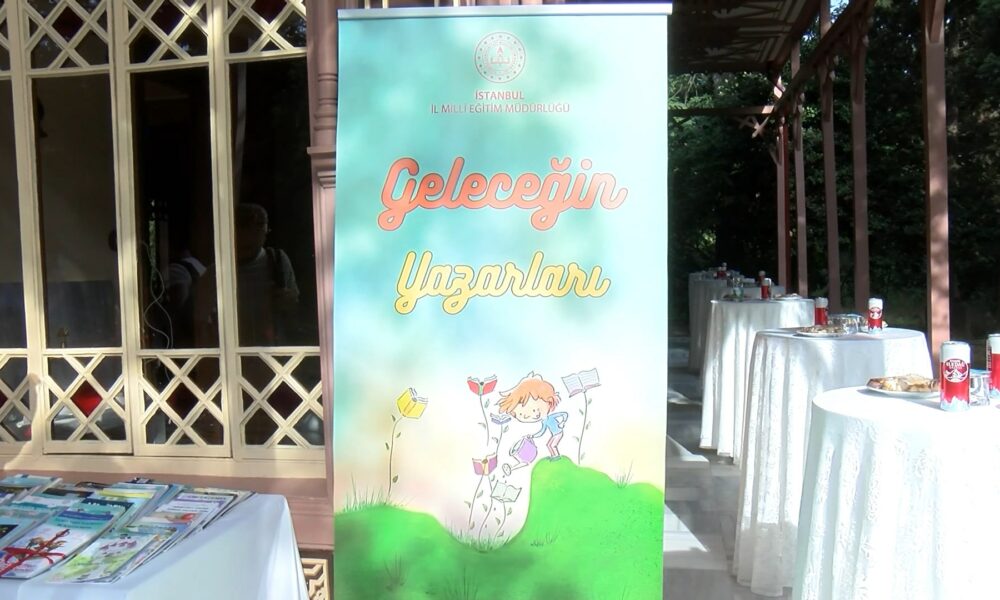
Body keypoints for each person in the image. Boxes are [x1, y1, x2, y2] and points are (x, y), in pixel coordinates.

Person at [194, 203, 299, 347]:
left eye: (259, 230)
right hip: (232, 351)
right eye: (245, 228)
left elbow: (294, 307)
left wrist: (287, 301)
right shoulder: (214, 274)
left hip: (272, 350)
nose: (252, 237)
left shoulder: (278, 261)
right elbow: (201, 324)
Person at [498, 372, 568, 475]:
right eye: (523, 415)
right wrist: (533, 436)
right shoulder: (544, 421)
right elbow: (542, 432)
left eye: (536, 409)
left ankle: (556, 457)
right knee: (549, 444)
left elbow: (564, 414)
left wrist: (562, 422)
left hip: (558, 433)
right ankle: (554, 456)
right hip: (555, 434)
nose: (535, 414)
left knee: (552, 445)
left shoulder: (550, 417)